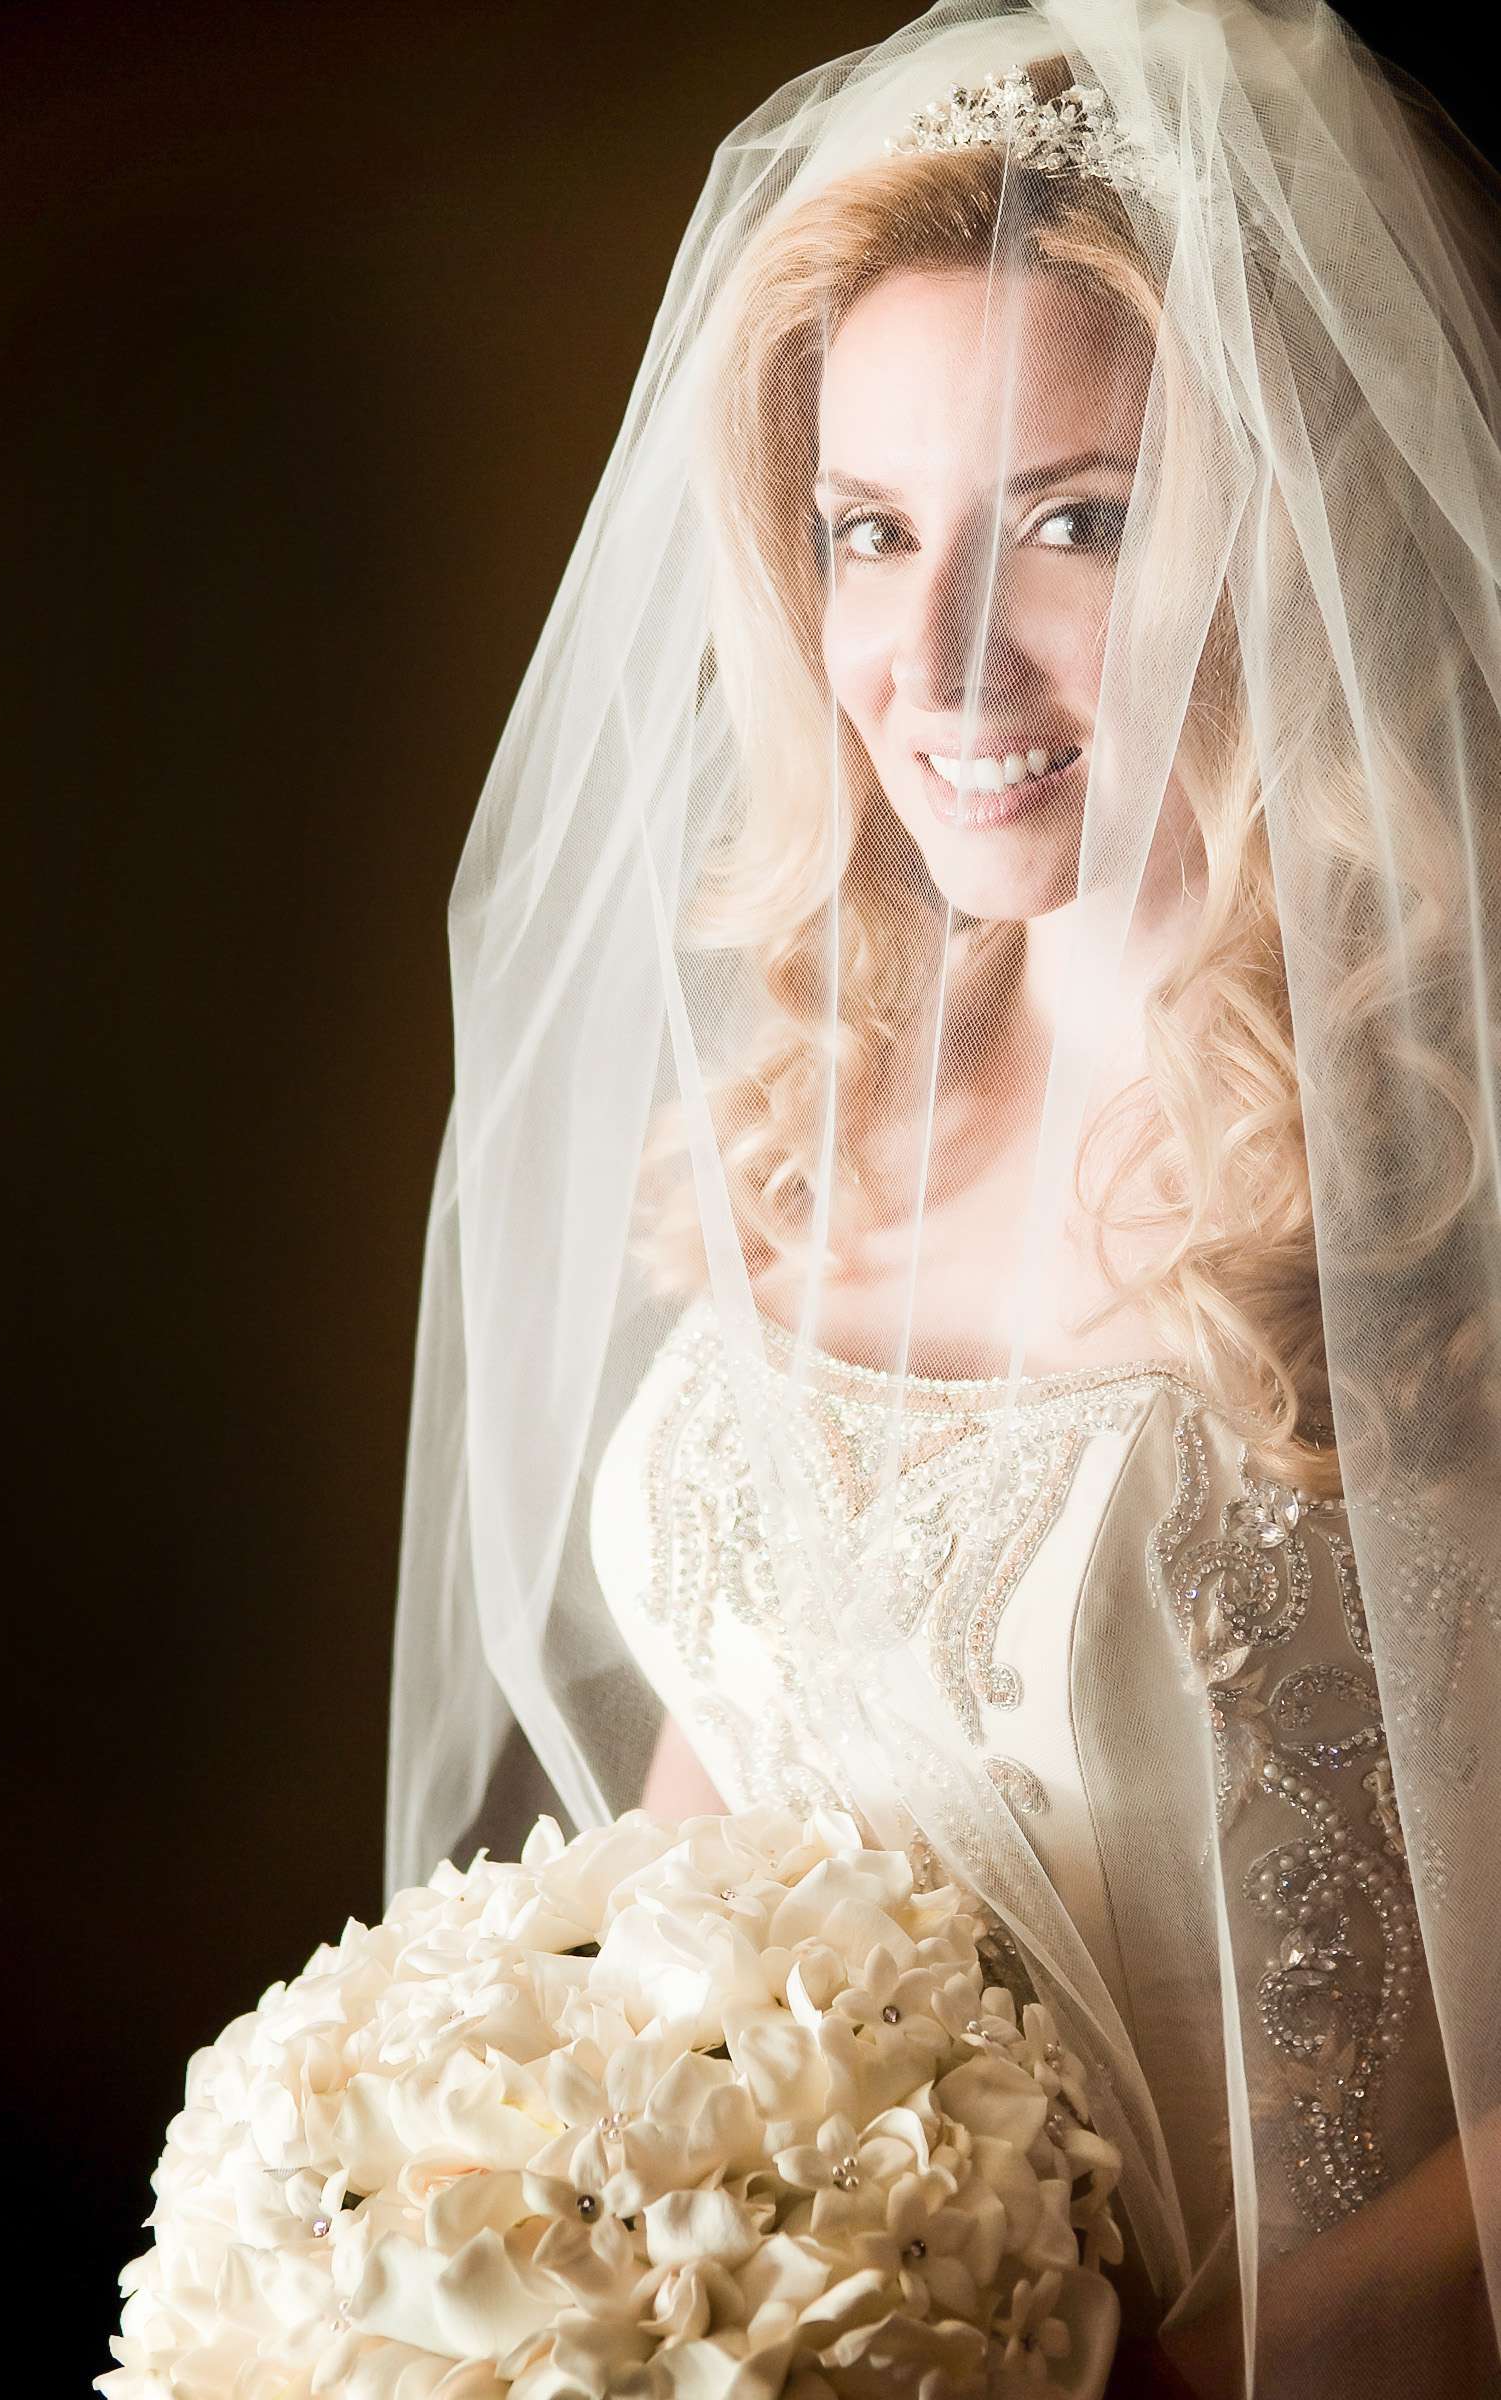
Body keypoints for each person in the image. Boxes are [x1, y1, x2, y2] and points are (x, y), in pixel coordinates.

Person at [386, 3, 1501, 2391]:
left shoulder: (1452, 1172)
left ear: (1287, 518)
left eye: (1076, 520)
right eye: (868, 529)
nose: (936, 660)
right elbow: (748, 1761)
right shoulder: (824, 1089)